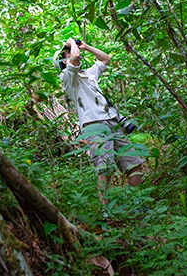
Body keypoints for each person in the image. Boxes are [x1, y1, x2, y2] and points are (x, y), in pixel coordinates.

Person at [56, 38, 144, 208]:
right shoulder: (67, 78)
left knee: (134, 163)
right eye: (70, 55)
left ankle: (136, 205)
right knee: (105, 168)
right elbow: (74, 57)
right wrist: (70, 44)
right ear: (64, 62)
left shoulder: (88, 75)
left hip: (112, 121)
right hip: (94, 125)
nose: (79, 57)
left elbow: (105, 59)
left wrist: (86, 46)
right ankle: (107, 211)